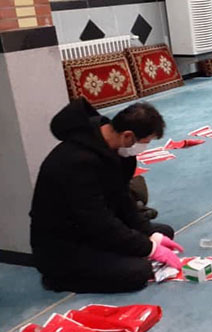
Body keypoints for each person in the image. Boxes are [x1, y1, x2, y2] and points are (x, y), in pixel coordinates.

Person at [30, 98, 183, 293]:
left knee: (163, 232)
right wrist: (149, 248)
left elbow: (123, 199)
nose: (144, 148)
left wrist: (150, 234)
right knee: (138, 272)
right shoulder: (76, 161)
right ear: (128, 136)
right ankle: (60, 279)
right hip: (64, 245)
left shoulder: (117, 149)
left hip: (92, 229)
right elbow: (97, 221)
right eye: (145, 143)